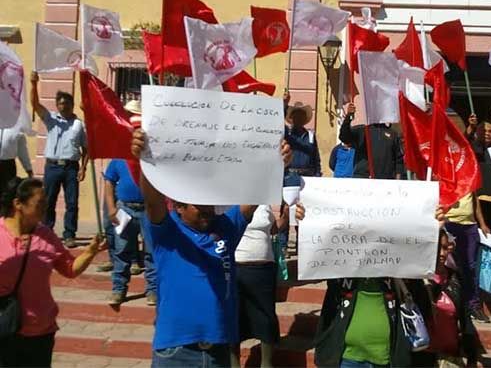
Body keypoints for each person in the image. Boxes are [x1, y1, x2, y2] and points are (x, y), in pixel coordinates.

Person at [130, 129, 291, 367]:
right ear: (179, 207)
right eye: (199, 205)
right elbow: (153, 200)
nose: (207, 209)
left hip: (219, 351)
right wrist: (144, 158)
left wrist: (278, 164)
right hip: (176, 352)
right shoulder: (165, 232)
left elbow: (256, 194)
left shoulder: (226, 227)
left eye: (210, 203)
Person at [302, 203, 447, 368]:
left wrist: (431, 230)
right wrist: (309, 221)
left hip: (388, 359)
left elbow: (423, 266)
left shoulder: (400, 271)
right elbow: (319, 252)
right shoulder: (342, 266)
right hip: (346, 358)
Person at [0, 177, 106, 367]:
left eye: (46, 203)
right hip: (6, 330)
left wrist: (90, 251)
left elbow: (70, 269)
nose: (45, 207)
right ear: (18, 204)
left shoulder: (46, 235)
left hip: (41, 332)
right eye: (39, 203)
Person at [30, 71, 88, 248]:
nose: (63, 106)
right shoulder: (51, 120)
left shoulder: (79, 125)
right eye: (60, 103)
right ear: (57, 105)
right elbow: (35, 104)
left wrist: (83, 168)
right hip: (53, 167)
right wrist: (34, 84)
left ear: (71, 105)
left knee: (72, 202)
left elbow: (86, 149)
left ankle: (69, 234)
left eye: (66, 103)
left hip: (71, 168)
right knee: (48, 201)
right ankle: (47, 231)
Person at [408, 231, 481, 367]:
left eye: (445, 248)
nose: (442, 253)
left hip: (449, 356)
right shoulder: (418, 280)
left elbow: (465, 319)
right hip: (423, 356)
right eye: (437, 248)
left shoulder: (454, 277)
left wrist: (472, 356)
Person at [231, 205, 287, 368]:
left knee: (266, 318)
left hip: (263, 269)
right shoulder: (228, 201)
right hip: (235, 267)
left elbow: (274, 230)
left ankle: (266, 363)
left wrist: (286, 216)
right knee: (235, 318)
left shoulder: (265, 204)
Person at [104, 159, 156, 306]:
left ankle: (153, 290)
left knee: (151, 252)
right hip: (124, 210)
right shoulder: (117, 160)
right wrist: (111, 208)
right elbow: (109, 182)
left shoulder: (149, 159)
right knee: (122, 251)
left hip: (148, 210)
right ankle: (119, 289)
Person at [280, 91, 321, 252]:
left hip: (306, 180)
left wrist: (317, 178)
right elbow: (277, 123)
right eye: (295, 115)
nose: (298, 118)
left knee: (301, 214)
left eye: (300, 116)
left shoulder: (310, 136)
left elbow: (316, 158)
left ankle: (302, 247)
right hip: (289, 176)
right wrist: (284, 104)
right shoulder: (287, 133)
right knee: (285, 212)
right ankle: (282, 248)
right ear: (291, 117)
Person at [444, 193, 491, 323]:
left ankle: (473, 306)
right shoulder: (443, 175)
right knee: (447, 265)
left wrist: (482, 224)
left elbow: (475, 200)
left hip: (470, 226)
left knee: (470, 267)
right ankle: (450, 303)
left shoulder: (469, 176)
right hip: (448, 224)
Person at [339, 103, 403, 179]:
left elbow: (398, 160)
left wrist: (397, 180)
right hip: (364, 178)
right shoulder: (362, 130)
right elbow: (344, 137)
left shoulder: (392, 134)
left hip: (385, 180)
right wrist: (348, 117)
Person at [465, 114, 491, 236]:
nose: (487, 133)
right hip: (480, 199)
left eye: (490, 131)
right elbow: (466, 141)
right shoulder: (475, 148)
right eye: (484, 131)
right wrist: (471, 127)